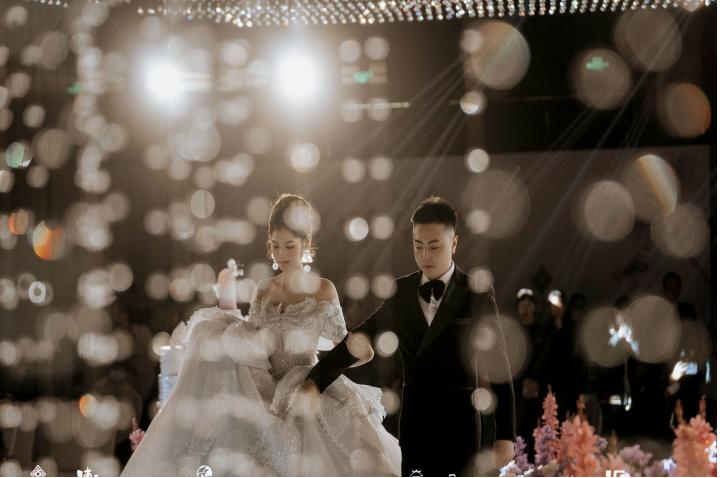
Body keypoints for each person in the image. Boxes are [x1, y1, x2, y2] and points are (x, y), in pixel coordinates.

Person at [122, 193, 401, 476]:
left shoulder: (322, 289)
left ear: (306, 243)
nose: (282, 255)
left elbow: (346, 347)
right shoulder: (263, 289)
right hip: (264, 390)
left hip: (307, 387)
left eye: (289, 246)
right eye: (275, 246)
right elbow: (252, 347)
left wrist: (353, 357)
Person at [300, 196, 515, 477]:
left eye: (434, 246)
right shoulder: (400, 292)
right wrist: (316, 379)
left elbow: (499, 366)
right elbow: (361, 337)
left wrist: (505, 435)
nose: (425, 255)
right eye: (418, 245)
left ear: (454, 243)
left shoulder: (477, 294)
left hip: (460, 425)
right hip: (416, 423)